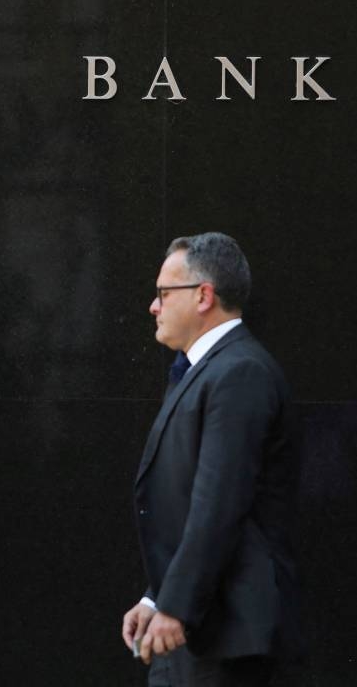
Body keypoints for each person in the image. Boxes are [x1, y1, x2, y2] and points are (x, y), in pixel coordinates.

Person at [121, 233, 301, 686]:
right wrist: (155, 599)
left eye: (164, 293)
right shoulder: (205, 371)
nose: (153, 306)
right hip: (200, 626)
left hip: (229, 636)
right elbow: (187, 507)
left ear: (203, 296)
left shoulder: (239, 372)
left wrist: (175, 606)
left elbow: (218, 504)